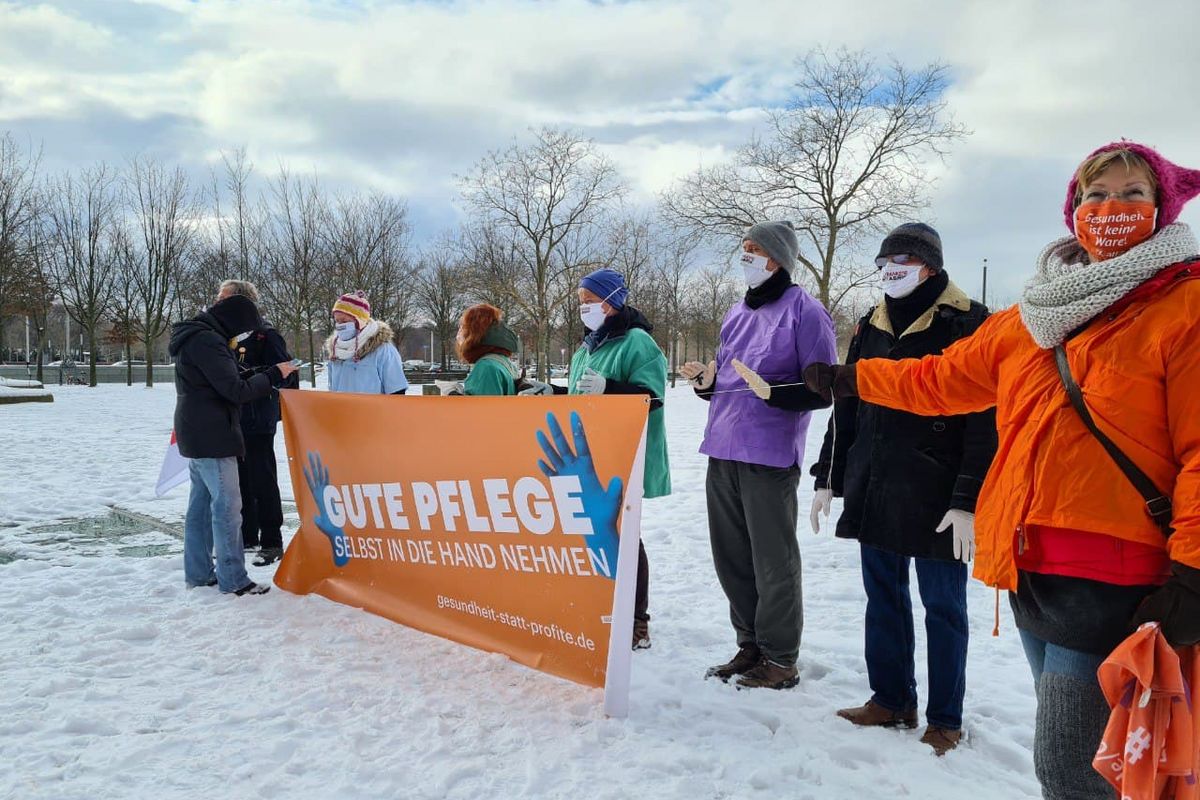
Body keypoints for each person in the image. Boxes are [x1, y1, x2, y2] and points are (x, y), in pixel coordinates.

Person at [803, 142, 1200, 797]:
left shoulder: (1181, 306)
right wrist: (854, 378)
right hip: (1030, 570)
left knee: (1069, 771)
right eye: (1097, 196)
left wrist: (1192, 570)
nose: (1113, 209)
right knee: (1098, 762)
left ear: (1162, 207)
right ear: (1074, 211)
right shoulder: (1033, 317)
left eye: (1133, 194)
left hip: (1117, 585)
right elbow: (941, 380)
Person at [808, 223, 997, 755]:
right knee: (883, 599)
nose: (892, 266)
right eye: (885, 257)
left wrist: (968, 499)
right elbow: (847, 403)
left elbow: (986, 419)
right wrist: (829, 474)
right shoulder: (870, 321)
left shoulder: (970, 321)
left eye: (904, 257)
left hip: (938, 491)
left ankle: (945, 718)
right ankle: (890, 698)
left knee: (944, 608)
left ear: (930, 265)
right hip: (876, 481)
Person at [680, 220, 837, 690]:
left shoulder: (806, 313)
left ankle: (780, 657)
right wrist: (706, 384)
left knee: (773, 561)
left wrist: (776, 393)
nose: (745, 255)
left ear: (778, 259)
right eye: (743, 247)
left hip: (769, 453)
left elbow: (822, 389)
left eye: (755, 249)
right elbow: (728, 380)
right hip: (723, 447)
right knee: (731, 555)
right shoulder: (734, 313)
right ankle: (749, 644)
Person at [523, 268, 669, 649]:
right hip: (589, 453)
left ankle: (637, 620)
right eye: (580, 302)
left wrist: (611, 388)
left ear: (611, 301)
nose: (583, 308)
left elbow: (652, 396)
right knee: (593, 531)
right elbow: (579, 396)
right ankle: (601, 605)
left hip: (626, 454)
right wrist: (551, 393)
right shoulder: (587, 346)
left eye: (589, 301)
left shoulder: (638, 343)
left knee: (624, 534)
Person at [169, 293, 298, 595]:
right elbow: (234, 390)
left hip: (196, 432)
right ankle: (233, 578)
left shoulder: (195, 336)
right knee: (228, 508)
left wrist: (258, 373)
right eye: (244, 330)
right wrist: (274, 374)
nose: (244, 337)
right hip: (214, 435)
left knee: (200, 508)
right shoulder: (209, 342)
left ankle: (199, 573)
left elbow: (221, 379)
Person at [216, 279, 298, 566]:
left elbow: (288, 374)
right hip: (233, 417)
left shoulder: (266, 335)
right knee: (239, 480)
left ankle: (272, 540)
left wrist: (252, 374)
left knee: (262, 477)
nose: (217, 302)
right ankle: (247, 535)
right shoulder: (223, 336)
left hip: (258, 417)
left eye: (222, 297)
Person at [325, 290, 409, 395]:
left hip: (373, 411)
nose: (340, 325)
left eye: (345, 321)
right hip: (342, 410)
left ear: (359, 321)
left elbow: (397, 391)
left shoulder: (383, 350)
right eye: (337, 321)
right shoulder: (336, 352)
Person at [451, 303, 521, 396]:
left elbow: (482, 409)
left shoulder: (486, 367)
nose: (460, 333)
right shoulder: (504, 363)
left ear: (475, 333)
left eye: (464, 327)